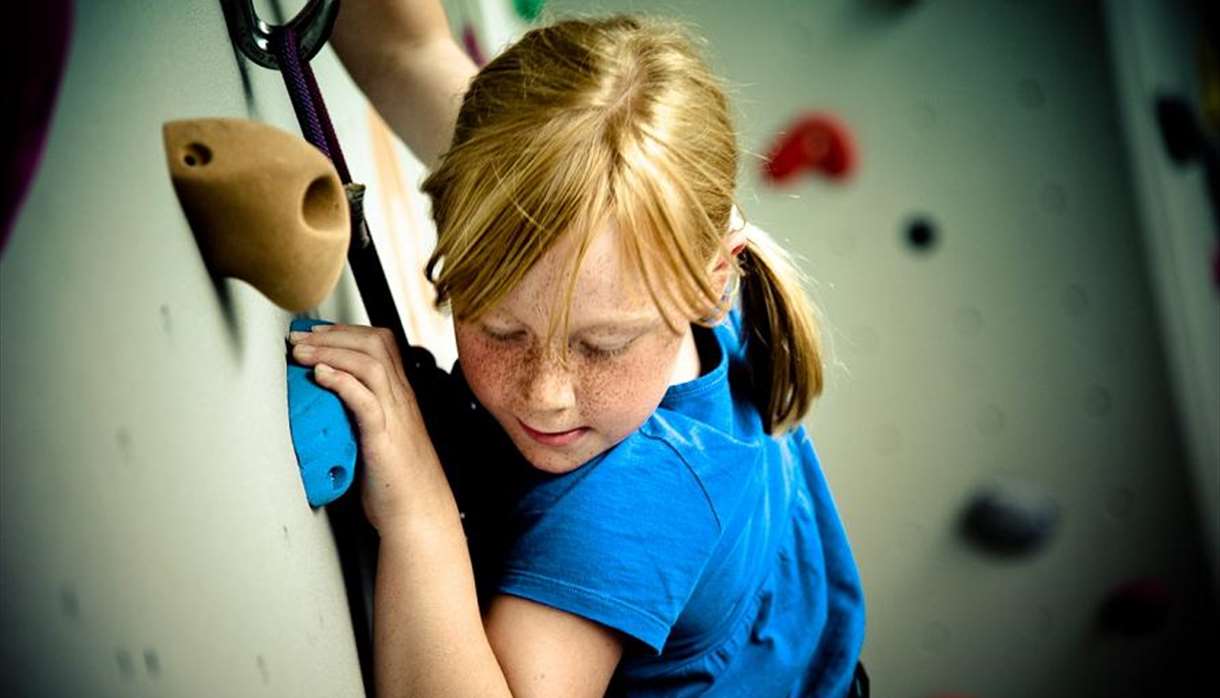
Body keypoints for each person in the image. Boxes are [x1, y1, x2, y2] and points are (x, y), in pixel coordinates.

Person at [287, 2, 867, 695]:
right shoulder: (589, 220)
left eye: (602, 346)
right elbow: (405, 52)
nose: (546, 395)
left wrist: (420, 512)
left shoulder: (633, 505)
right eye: (500, 329)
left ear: (714, 278)